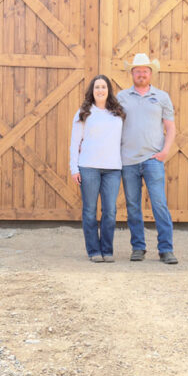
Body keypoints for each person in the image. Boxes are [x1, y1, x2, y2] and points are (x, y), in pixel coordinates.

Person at [117, 53, 178, 264]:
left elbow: (170, 128)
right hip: (128, 161)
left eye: (145, 70)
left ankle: (166, 249)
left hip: (153, 160)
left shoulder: (162, 97)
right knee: (133, 206)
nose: (141, 74)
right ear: (131, 73)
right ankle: (138, 248)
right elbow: (112, 127)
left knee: (159, 204)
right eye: (137, 70)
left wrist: (165, 151)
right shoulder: (121, 97)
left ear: (151, 73)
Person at [70, 75, 126, 262]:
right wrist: (74, 168)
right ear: (92, 91)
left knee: (110, 211)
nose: (100, 90)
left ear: (108, 90)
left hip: (112, 169)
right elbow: (74, 143)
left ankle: (107, 250)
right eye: (97, 87)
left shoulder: (117, 114)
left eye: (103, 87)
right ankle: (94, 251)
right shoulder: (84, 113)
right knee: (89, 210)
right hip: (89, 167)